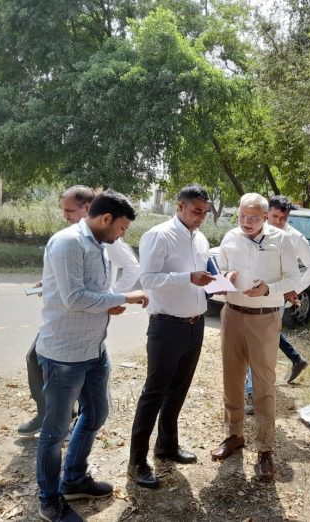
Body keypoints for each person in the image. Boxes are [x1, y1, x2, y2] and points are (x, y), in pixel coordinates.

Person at [35, 190, 148, 522]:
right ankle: (49, 500)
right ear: (106, 219)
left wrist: (108, 301)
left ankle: (74, 479)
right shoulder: (69, 242)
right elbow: (73, 297)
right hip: (64, 355)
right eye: (122, 228)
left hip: (93, 349)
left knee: (97, 413)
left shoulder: (99, 244)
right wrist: (125, 296)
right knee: (55, 431)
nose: (122, 234)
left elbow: (92, 293)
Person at [16, 186, 140, 436]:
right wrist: (52, 282)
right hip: (64, 329)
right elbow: (74, 287)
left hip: (85, 331)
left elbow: (132, 268)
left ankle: (60, 419)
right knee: (38, 362)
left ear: (88, 209)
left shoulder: (108, 236)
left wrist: (113, 297)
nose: (65, 215)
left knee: (90, 405)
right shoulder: (71, 239)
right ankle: (52, 416)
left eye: (70, 210)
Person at [127, 185, 214, 489]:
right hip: (166, 325)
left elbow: (201, 277)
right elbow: (148, 279)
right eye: (195, 211)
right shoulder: (159, 235)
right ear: (180, 206)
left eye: (204, 212)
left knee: (178, 390)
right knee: (154, 393)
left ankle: (166, 446)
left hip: (195, 324)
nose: (201, 217)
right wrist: (187, 278)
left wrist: (217, 282)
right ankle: (137, 461)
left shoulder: (200, 239)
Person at [211, 193, 301, 480]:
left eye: (253, 218)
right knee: (232, 380)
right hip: (233, 314)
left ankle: (265, 450)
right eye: (242, 216)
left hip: (264, 320)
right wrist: (226, 276)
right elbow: (219, 272)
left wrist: (267, 289)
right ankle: (234, 435)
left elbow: (294, 278)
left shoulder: (281, 239)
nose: (246, 222)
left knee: (263, 386)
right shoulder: (230, 237)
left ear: (265, 216)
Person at [244, 195, 310, 413]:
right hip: (250, 296)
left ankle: (252, 390)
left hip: (274, 299)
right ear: (267, 213)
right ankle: (251, 386)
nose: (277, 221)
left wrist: (293, 289)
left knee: (260, 347)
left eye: (282, 217)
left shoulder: (294, 237)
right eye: (274, 216)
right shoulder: (257, 229)